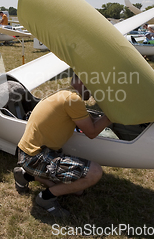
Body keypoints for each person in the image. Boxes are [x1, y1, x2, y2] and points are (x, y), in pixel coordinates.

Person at [14, 74, 111, 217]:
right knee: (94, 172)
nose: (92, 94)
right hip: (36, 157)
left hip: (29, 153)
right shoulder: (73, 99)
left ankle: (25, 175)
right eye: (93, 88)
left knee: (76, 189)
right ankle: (45, 199)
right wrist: (112, 115)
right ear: (83, 83)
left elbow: (91, 121)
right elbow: (92, 132)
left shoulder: (67, 93)